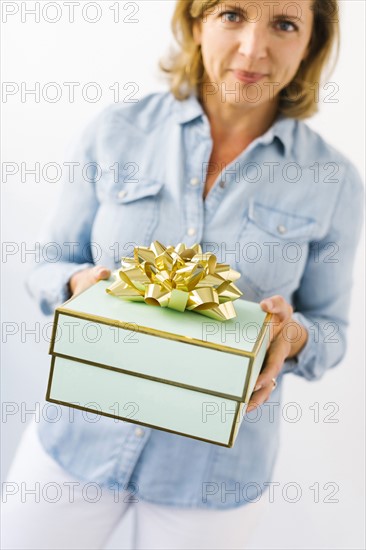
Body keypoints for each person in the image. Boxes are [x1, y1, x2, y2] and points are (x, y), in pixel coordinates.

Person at [2, 1, 364, 549]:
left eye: (285, 24)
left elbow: (331, 330)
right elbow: (46, 264)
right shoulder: (116, 130)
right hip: (75, 440)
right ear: (197, 22)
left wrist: (291, 337)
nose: (253, 49)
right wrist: (77, 286)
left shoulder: (333, 181)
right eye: (232, 15)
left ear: (310, 44)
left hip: (212, 478)